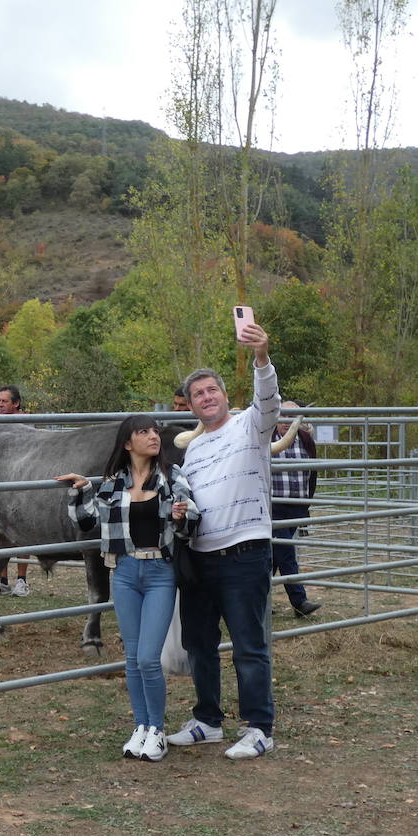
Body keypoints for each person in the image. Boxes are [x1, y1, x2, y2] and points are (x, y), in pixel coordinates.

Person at [166, 319, 281, 760]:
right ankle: (207, 720)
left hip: (245, 552)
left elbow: (268, 398)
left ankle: (259, 727)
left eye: (212, 390)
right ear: (190, 405)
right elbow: (190, 500)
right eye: (198, 394)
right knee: (199, 643)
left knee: (249, 645)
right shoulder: (193, 450)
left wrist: (261, 356)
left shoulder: (252, 425)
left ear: (225, 395)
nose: (206, 397)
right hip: (200, 558)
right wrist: (182, 511)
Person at [57, 415, 196, 762]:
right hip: (124, 572)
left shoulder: (172, 477)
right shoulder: (112, 483)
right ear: (127, 443)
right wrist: (81, 491)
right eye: (143, 432)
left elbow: (190, 523)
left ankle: (158, 730)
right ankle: (141, 727)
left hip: (160, 573)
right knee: (133, 659)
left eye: (154, 431)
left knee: (149, 658)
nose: (153, 436)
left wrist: (183, 516)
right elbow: (88, 522)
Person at [271, 400, 321, 618]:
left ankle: (257, 601)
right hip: (273, 506)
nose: (287, 422)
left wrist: (305, 505)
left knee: (273, 557)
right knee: (286, 552)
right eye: (282, 416)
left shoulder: (306, 440)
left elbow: (312, 474)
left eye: (292, 417)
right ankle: (299, 602)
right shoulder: (267, 440)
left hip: (297, 507)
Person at [0, 385, 31, 597]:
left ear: (16, 403)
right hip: (1, 484)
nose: (0, 405)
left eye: (4, 401)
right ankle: (3, 580)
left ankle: (22, 581)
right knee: (1, 533)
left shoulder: (26, 423)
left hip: (22, 484)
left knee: (22, 534)